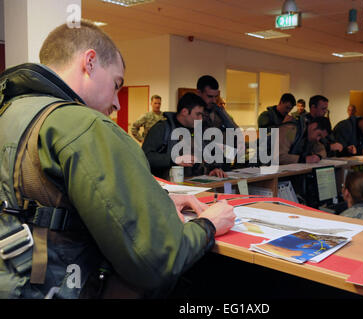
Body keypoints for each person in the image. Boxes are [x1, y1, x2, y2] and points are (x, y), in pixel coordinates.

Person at [0, 21, 235, 299]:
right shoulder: (83, 125)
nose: (117, 103)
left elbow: (49, 197)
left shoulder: (13, 111)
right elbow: (155, 261)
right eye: (116, 85)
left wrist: (152, 201)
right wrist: (208, 225)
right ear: (89, 62)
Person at [142, 92, 227, 179]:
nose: (200, 119)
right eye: (198, 114)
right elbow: (145, 157)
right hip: (166, 187)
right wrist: (173, 159)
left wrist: (214, 168)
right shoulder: (162, 129)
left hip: (195, 185)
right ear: (184, 112)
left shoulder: (199, 130)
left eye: (202, 115)